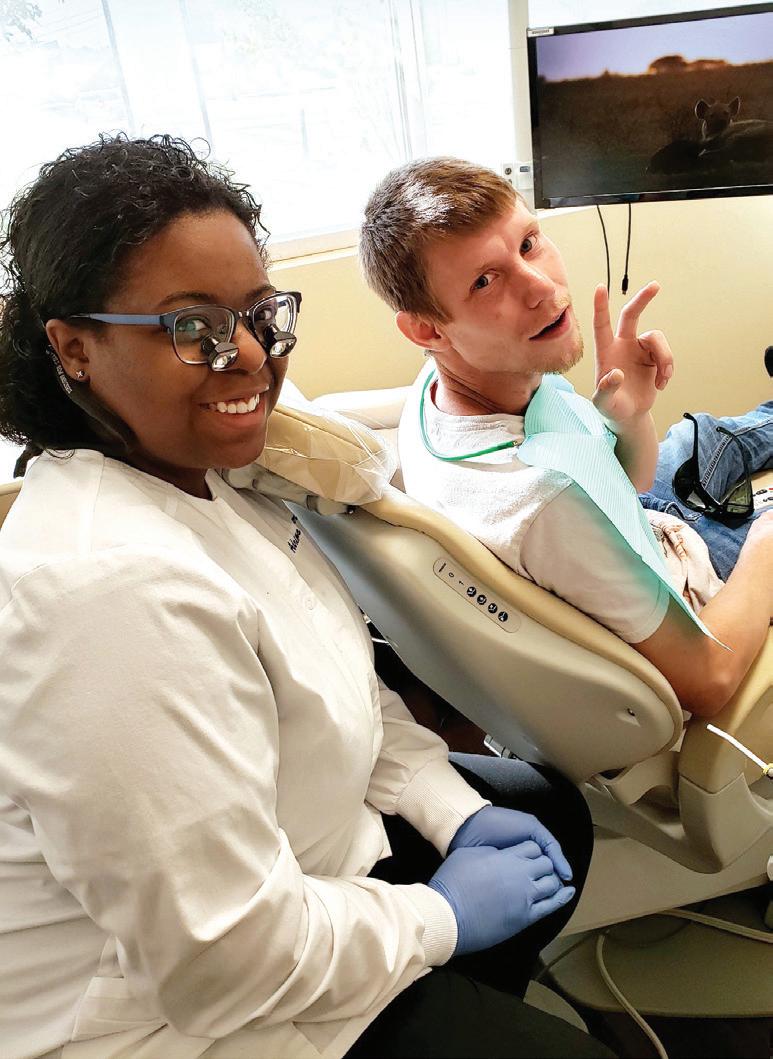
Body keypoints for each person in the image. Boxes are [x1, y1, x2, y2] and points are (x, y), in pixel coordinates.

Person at [0, 136, 611, 1059]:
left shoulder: (212, 474)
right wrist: (438, 918)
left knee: (542, 805)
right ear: (74, 347)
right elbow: (219, 960)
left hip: (296, 863)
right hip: (180, 1018)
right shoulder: (107, 593)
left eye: (260, 315)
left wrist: (450, 808)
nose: (249, 356)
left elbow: (339, 686)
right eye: (193, 327)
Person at [359, 157, 773, 719]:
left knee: (703, 434)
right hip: (686, 587)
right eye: (484, 281)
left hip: (638, 526)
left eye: (528, 243)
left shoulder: (444, 389)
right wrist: (766, 541)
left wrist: (629, 418)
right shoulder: (547, 500)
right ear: (426, 329)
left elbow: (627, 483)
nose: (541, 287)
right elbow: (708, 678)